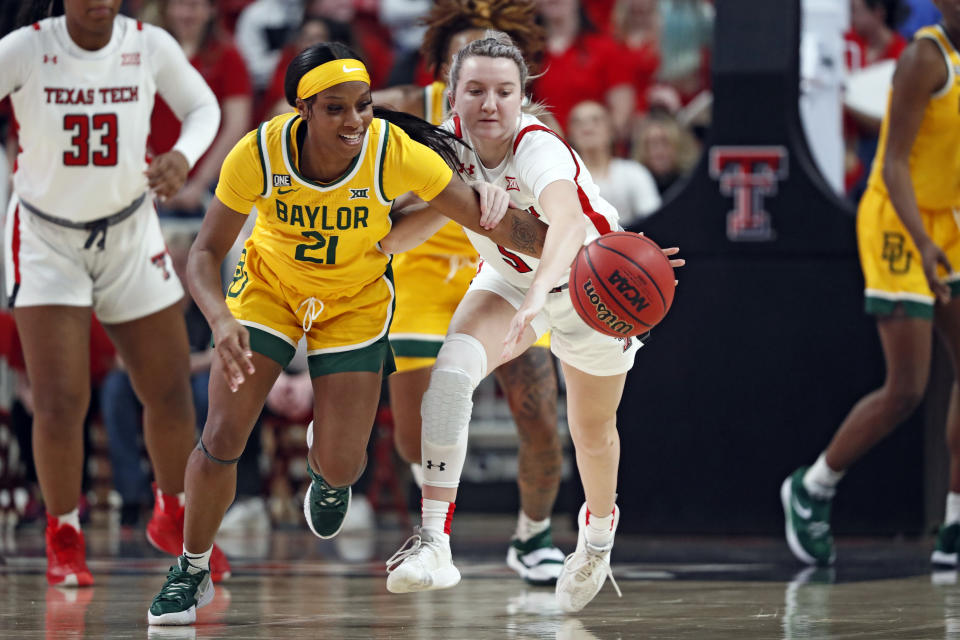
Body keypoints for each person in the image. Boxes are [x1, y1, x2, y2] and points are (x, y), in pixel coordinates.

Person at [145, 41, 549, 625]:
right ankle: (192, 566)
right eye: (335, 108)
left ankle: (325, 472)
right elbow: (205, 252)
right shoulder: (258, 153)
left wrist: (592, 243)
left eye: (362, 104)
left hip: (355, 302)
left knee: (343, 467)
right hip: (268, 293)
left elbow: (499, 221)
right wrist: (219, 317)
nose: (356, 119)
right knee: (222, 434)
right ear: (301, 110)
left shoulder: (392, 149)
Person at [383, 32, 683, 613]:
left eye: (503, 91)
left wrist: (537, 299)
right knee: (452, 373)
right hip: (510, 280)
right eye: (475, 90)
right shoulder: (448, 150)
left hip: (589, 287)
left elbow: (568, 225)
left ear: (522, 97)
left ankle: (596, 539)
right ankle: (434, 542)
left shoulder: (536, 145)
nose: (489, 104)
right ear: (453, 97)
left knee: (591, 433)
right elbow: (411, 228)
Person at [0, 0, 230, 587]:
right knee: (59, 400)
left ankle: (175, 515)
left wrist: (183, 154)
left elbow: (203, 107)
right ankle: (64, 532)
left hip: (130, 230)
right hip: (46, 238)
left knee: (170, 389)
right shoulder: (26, 47)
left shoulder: (148, 44)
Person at [372, 0, 568, 586]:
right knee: (414, 431)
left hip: (507, 273)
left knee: (538, 417)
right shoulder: (403, 108)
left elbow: (556, 220)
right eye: (463, 54)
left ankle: (533, 533)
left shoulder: (535, 127)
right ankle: (435, 533)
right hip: (425, 272)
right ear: (444, 65)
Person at [782, 1, 960, 568]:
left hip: (948, 219)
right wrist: (924, 243)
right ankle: (813, 487)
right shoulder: (925, 58)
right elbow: (894, 166)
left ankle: (954, 521)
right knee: (908, 387)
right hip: (898, 219)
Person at [148, 0, 253, 218]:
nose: (186, 14)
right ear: (167, 9)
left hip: (211, 183)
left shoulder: (228, 56)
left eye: (194, 5)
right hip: (154, 179)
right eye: (179, 5)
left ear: (211, 10)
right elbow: (134, 119)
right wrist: (155, 175)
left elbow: (236, 125)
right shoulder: (149, 55)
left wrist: (198, 184)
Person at [567, 100, 661, 227]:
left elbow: (653, 217)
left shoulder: (634, 171)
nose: (587, 127)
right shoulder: (565, 179)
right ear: (571, 134)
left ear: (610, 130)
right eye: (578, 122)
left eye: (596, 120)